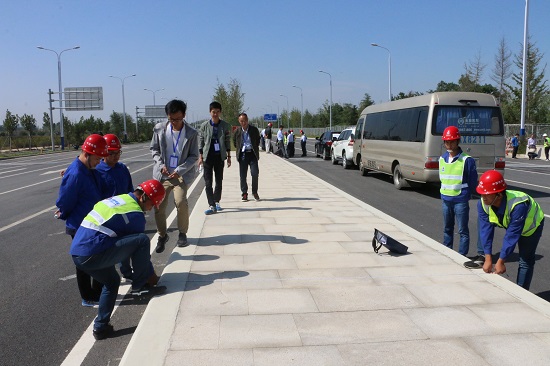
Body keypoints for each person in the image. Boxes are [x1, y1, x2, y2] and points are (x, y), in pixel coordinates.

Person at [71, 179, 167, 340]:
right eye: (152, 204)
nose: (151, 209)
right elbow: (135, 250)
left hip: (78, 253)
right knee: (142, 240)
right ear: (143, 197)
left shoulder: (120, 199)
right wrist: (151, 278)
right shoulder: (135, 215)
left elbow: (124, 249)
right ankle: (140, 288)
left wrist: (127, 272)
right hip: (93, 252)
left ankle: (100, 328)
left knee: (112, 282)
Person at [56, 134, 109, 307]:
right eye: (97, 158)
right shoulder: (76, 173)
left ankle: (97, 291)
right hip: (79, 224)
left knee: (94, 257)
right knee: (84, 261)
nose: (99, 162)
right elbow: (65, 201)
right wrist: (63, 213)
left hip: (90, 222)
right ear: (87, 154)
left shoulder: (87, 169)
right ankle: (87, 296)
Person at [476, 170, 544, 290]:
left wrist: (501, 261)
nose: (483, 197)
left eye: (487, 194)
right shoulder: (482, 203)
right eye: (482, 194)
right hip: (511, 223)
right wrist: (488, 258)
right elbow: (485, 230)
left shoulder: (518, 205)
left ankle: (522, 292)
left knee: (525, 261)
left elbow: (512, 235)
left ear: (499, 194)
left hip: (531, 227)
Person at [150, 99, 199, 252]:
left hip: (179, 176)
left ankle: (182, 234)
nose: (174, 122)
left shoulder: (191, 133)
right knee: (159, 206)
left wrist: (180, 169)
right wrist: (161, 165)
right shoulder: (159, 129)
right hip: (163, 175)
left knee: (181, 202)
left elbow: (193, 156)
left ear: (184, 115)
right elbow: (154, 149)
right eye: (171, 119)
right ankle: (162, 235)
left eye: (177, 119)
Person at [439, 126, 484, 268]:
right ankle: (447, 251)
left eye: (452, 141)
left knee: (462, 230)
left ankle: (461, 256)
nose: (449, 144)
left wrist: (468, 195)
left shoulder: (467, 160)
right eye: (447, 142)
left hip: (460, 200)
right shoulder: (442, 159)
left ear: (457, 141)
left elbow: (472, 181)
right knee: (447, 228)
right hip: (446, 199)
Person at [96, 133, 137, 282]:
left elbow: (129, 191)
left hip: (123, 214)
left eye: (117, 153)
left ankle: (127, 272)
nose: (115, 156)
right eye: (111, 153)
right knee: (107, 248)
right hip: (106, 217)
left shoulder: (122, 169)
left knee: (124, 246)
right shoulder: (97, 171)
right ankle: (108, 277)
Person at [198, 101, 232, 215]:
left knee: (219, 181)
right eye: (213, 112)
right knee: (208, 182)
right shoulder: (204, 126)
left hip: (219, 157)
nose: (215, 114)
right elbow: (201, 141)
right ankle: (211, 204)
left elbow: (227, 141)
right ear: (210, 112)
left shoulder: (225, 125)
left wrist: (228, 156)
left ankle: (217, 202)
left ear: (220, 112)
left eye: (217, 112)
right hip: (208, 157)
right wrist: (200, 156)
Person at [233, 113, 261, 202]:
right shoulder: (237, 131)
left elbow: (258, 140)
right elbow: (234, 142)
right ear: (239, 121)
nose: (243, 123)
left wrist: (254, 148)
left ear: (247, 120)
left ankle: (254, 192)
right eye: (241, 121)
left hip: (252, 154)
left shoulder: (254, 130)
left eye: (245, 121)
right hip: (243, 155)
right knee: (243, 175)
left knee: (255, 173)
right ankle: (244, 193)